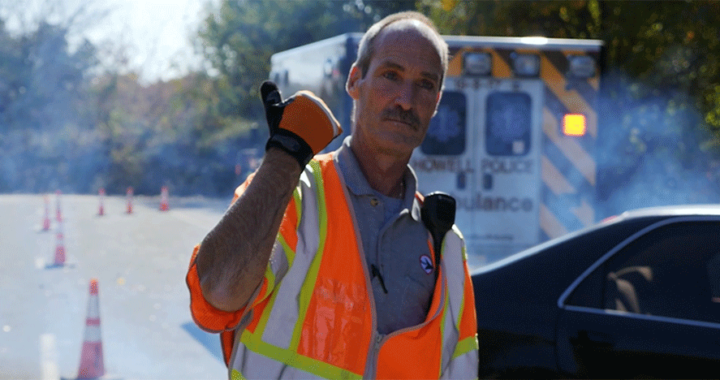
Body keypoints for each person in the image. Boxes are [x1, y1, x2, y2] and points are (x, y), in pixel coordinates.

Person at [186, 11, 478, 379]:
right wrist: (283, 159)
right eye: (391, 75)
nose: (405, 100)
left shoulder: (445, 246)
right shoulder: (293, 193)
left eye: (424, 84)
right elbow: (216, 297)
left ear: (436, 101)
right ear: (355, 81)